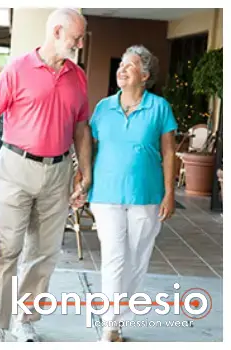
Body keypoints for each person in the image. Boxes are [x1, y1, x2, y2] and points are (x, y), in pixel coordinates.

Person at [0, 8, 92, 342]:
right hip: (16, 167)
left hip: (57, 172)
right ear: (57, 32)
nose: (81, 42)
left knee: (45, 251)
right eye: (77, 36)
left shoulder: (78, 76)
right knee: (6, 248)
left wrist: (84, 173)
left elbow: (81, 128)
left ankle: (23, 319)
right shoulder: (17, 69)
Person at [87, 45, 177, 342]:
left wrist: (169, 193)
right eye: (121, 64)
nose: (122, 69)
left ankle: (119, 318)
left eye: (130, 65)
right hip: (106, 193)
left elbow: (169, 151)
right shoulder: (103, 107)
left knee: (137, 257)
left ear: (145, 75)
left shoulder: (159, 107)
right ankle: (110, 324)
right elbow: (90, 146)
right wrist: (82, 178)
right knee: (114, 256)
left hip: (147, 194)